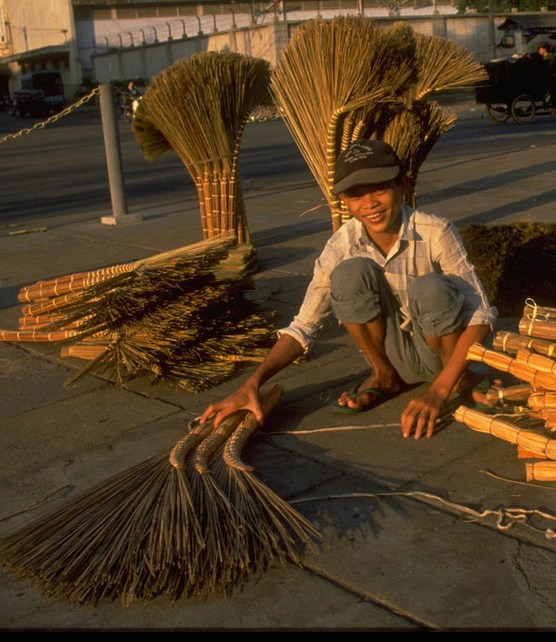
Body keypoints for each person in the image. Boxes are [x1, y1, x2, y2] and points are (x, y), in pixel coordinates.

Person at [198, 139, 496, 440]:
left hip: (443, 357)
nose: (369, 204)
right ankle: (384, 377)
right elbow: (304, 325)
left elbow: (481, 315)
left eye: (379, 189)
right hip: (394, 356)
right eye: (355, 195)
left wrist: (439, 391)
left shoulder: (435, 231)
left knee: (430, 288)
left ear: (402, 186)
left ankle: (459, 379)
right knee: (349, 273)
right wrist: (253, 383)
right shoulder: (341, 245)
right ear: (344, 201)